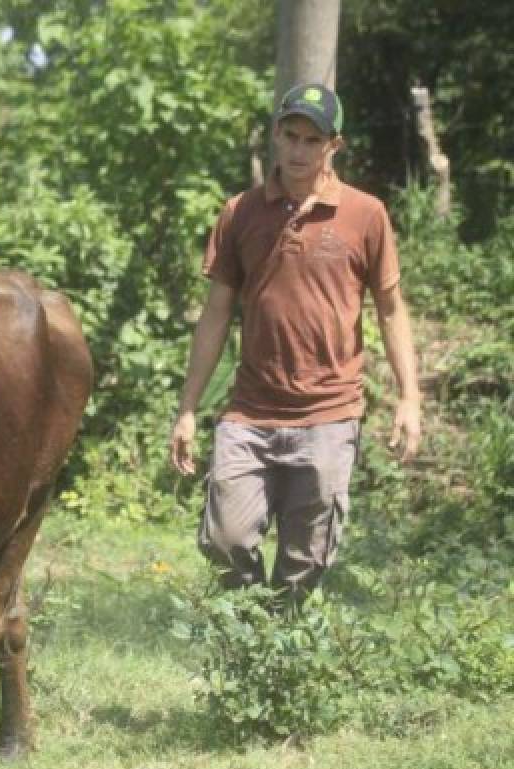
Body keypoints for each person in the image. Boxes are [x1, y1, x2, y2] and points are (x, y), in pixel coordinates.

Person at [169, 83, 421, 601]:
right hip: (250, 411)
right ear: (276, 136)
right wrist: (189, 408)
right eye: (291, 136)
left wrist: (409, 398)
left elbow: (391, 310)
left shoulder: (365, 214)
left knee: (307, 561)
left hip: (329, 412)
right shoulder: (240, 212)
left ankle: (283, 661)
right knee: (224, 538)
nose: (300, 150)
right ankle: (248, 634)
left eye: (313, 139)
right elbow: (216, 314)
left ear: (335, 144)